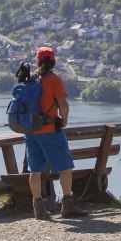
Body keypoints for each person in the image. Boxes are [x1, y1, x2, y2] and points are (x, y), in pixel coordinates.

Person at [25, 46, 88, 220]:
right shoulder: (53, 80)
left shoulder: (30, 78)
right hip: (49, 130)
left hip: (31, 130)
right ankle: (68, 205)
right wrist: (64, 120)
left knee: (35, 170)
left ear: (38, 61)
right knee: (65, 166)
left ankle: (38, 208)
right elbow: (64, 105)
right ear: (53, 62)